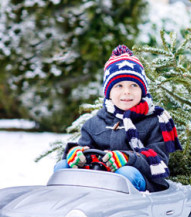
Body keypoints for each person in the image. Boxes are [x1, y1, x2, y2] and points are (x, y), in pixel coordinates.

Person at [55, 44, 182, 192]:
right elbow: (86, 150)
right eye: (119, 86)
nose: (127, 92)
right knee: (62, 167)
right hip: (99, 179)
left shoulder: (154, 121)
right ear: (108, 92)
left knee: (124, 174)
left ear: (143, 90)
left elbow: (159, 160)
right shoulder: (93, 124)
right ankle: (67, 205)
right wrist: (76, 153)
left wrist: (128, 158)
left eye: (134, 85)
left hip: (140, 180)